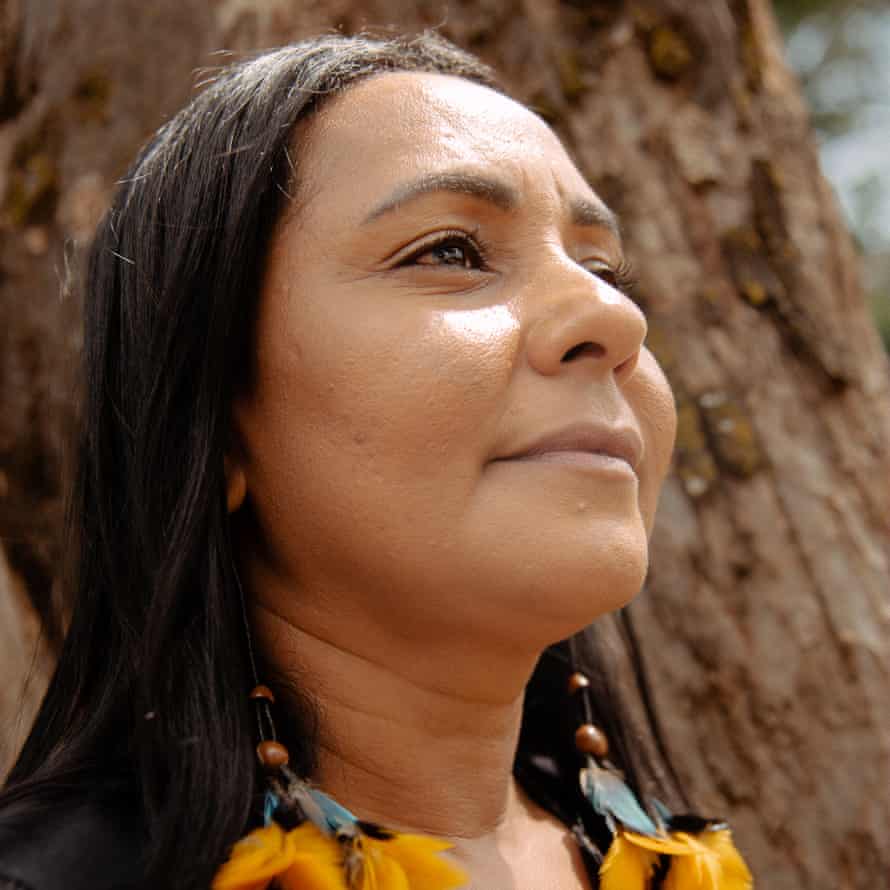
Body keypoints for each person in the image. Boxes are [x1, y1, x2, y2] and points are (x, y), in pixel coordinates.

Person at [0, 31, 751, 890]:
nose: (614, 318)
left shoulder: (678, 868)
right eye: (449, 252)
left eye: (606, 269)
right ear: (213, 427)